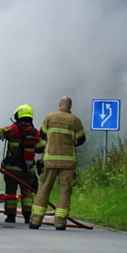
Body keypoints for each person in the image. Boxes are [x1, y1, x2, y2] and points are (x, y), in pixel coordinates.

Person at [31, 97, 86, 230]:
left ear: (60, 104)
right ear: (70, 106)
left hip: (50, 161)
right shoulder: (75, 120)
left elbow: (42, 136)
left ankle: (35, 221)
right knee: (64, 191)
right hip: (68, 162)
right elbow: (80, 140)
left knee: (44, 189)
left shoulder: (49, 117)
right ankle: (60, 223)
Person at [0, 105, 45, 223]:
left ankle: (11, 216)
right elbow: (41, 148)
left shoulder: (13, 129)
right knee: (27, 192)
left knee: (11, 191)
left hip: (11, 169)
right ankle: (28, 215)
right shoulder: (35, 133)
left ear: (18, 116)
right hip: (27, 169)